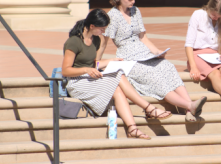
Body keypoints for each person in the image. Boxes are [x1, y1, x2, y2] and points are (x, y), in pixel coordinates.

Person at [102, 0, 207, 122]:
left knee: (167, 66)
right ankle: (190, 105)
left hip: (145, 54)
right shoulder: (112, 16)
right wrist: (96, 61)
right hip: (128, 59)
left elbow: (143, 37)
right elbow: (103, 42)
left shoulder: (135, 11)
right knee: (155, 77)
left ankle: (190, 109)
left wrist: (157, 52)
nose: (133, 2)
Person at [62, 8, 172, 140]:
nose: (104, 32)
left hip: (89, 78)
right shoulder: (74, 42)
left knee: (118, 87)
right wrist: (86, 70)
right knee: (118, 77)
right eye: (102, 29)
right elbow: (66, 70)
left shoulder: (95, 40)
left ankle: (132, 129)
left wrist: (111, 61)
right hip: (76, 82)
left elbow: (93, 64)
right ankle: (149, 108)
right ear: (92, 26)